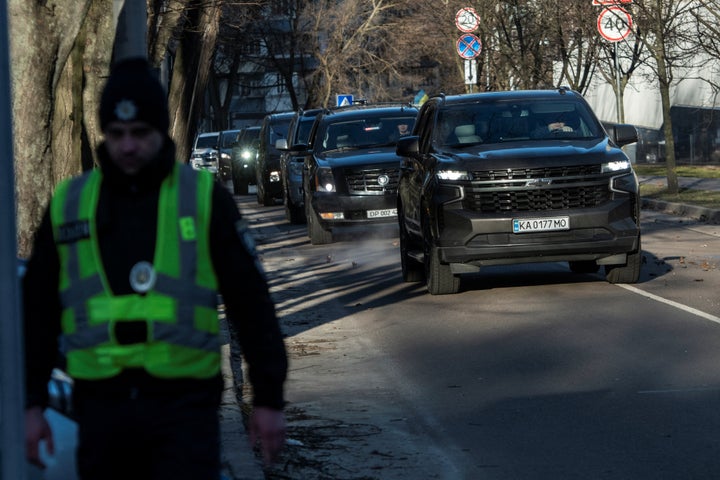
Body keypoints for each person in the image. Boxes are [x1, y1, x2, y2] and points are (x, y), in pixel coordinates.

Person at [23, 58, 288, 479]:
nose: (128, 146)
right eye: (117, 134)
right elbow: (36, 313)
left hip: (182, 409)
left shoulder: (203, 198)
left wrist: (268, 398)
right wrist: (32, 404)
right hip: (99, 408)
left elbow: (251, 303)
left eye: (140, 133)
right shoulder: (69, 204)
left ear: (161, 131)